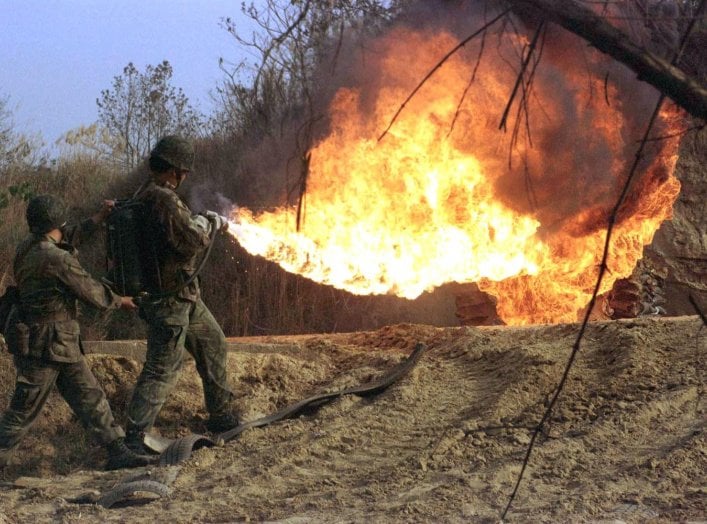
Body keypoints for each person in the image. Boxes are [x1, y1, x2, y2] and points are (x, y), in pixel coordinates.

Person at [0, 195, 156, 470]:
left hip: (58, 342)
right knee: (23, 411)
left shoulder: (29, 247)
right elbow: (90, 290)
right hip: (46, 345)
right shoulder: (55, 259)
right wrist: (121, 300)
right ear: (57, 223)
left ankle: (116, 450)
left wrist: (98, 218)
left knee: (90, 396)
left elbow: (65, 236)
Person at [124, 135, 237, 453]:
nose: (185, 177)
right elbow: (190, 240)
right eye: (182, 171)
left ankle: (222, 416)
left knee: (213, 342)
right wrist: (207, 223)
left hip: (183, 294)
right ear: (172, 169)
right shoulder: (161, 198)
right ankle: (133, 438)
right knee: (162, 367)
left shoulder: (143, 194)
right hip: (168, 299)